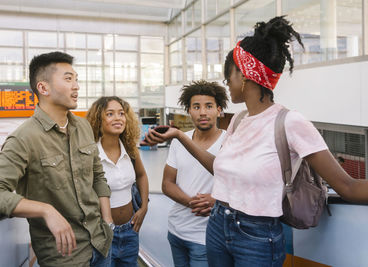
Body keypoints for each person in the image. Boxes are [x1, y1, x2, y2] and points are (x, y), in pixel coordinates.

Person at [145, 16, 368, 267]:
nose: (226, 82)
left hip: (256, 236)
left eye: (228, 74)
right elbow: (218, 167)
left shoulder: (290, 122)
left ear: (244, 75)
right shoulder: (239, 120)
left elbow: (347, 186)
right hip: (218, 225)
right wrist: (179, 137)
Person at [0, 51, 113, 267]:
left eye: (76, 79)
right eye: (68, 79)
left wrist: (108, 222)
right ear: (43, 88)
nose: (76, 86)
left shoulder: (83, 127)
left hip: (101, 243)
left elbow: (98, 176)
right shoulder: (24, 138)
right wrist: (46, 210)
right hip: (64, 257)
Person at [162, 80, 228, 267]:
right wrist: (193, 203)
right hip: (176, 231)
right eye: (196, 107)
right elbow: (167, 184)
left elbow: (242, 184)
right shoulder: (177, 142)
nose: (203, 112)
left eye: (209, 106)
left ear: (219, 110)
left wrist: (216, 201)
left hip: (207, 237)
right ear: (189, 111)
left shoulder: (229, 142)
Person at [87, 96, 149, 267]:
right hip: (103, 233)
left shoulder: (129, 149)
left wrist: (144, 207)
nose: (118, 118)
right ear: (98, 119)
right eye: (110, 114)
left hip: (130, 230)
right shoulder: (91, 154)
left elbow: (142, 175)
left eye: (121, 113)